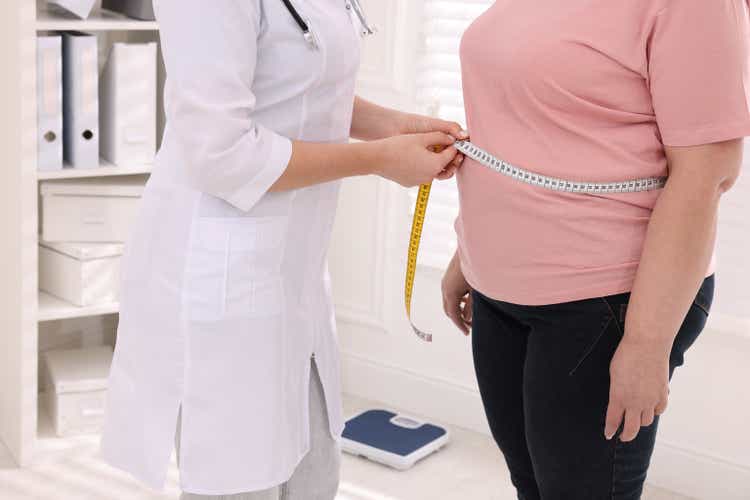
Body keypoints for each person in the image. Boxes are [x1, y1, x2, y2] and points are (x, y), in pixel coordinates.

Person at [100, 1, 465, 499]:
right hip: (224, 275)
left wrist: (394, 126)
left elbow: (302, 80)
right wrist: (378, 159)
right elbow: (222, 153)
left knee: (313, 472)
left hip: (293, 271)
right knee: (239, 480)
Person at [441, 1, 750, 499]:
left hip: (607, 301)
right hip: (500, 286)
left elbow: (706, 172)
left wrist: (646, 345)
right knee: (533, 487)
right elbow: (530, 123)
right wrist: (468, 249)